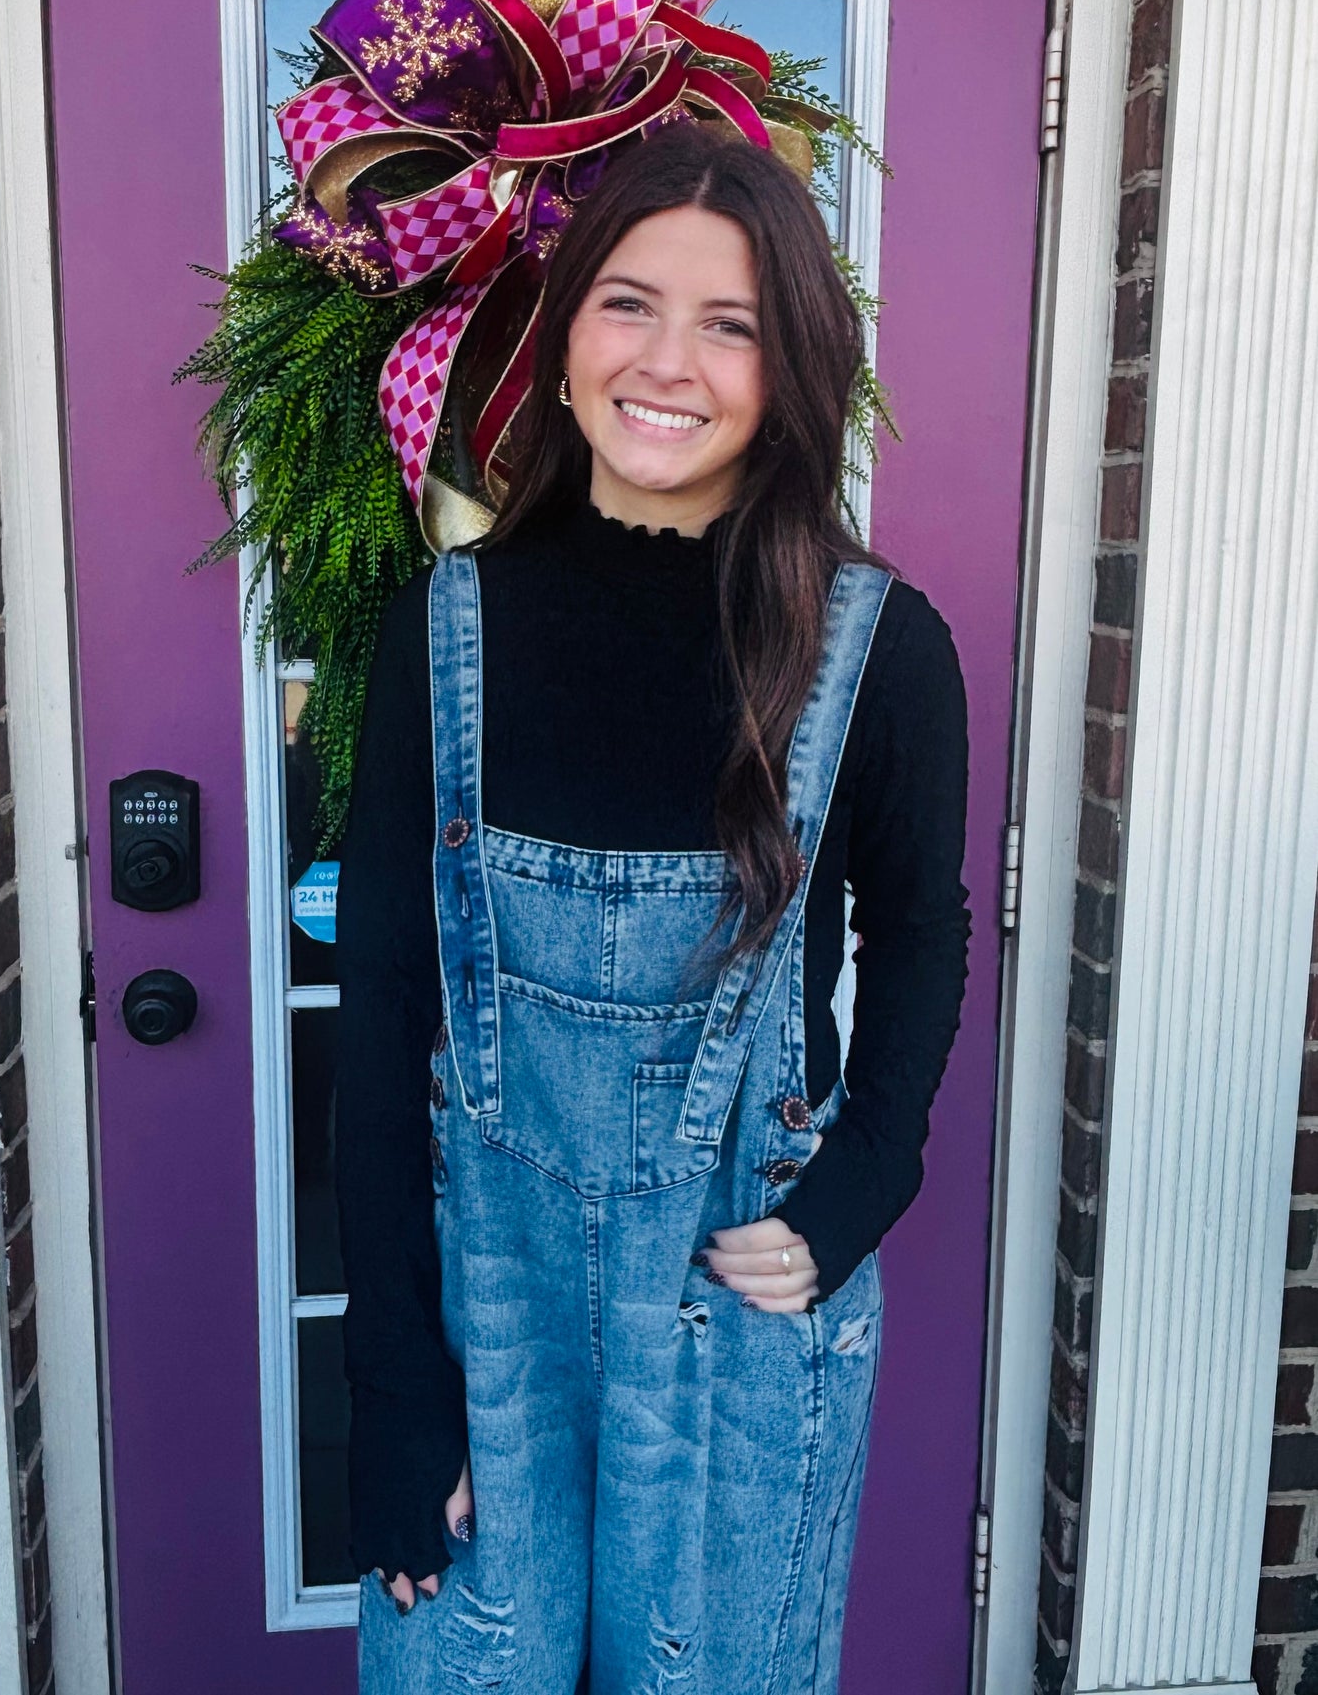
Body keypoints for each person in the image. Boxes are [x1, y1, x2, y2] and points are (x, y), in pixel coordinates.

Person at [333, 120, 971, 1693]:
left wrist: (859, 1186)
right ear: (559, 347)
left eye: (729, 321)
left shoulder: (878, 650)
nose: (666, 360)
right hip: (492, 1316)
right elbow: (381, 1011)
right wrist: (396, 1387)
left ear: (788, 368)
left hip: (736, 1327)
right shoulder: (446, 628)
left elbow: (922, 929)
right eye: (627, 302)